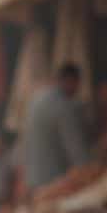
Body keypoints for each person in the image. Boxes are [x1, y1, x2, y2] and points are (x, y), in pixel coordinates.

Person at [21, 63, 92, 192]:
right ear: (70, 81)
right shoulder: (63, 106)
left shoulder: (36, 99)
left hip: (32, 177)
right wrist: (90, 169)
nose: (77, 90)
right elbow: (76, 148)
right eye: (77, 84)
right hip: (52, 180)